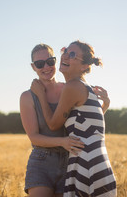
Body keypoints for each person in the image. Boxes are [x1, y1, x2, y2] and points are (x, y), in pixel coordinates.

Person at [31, 40, 117, 197]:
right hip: (96, 162)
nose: (65, 56)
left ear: (84, 66)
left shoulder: (72, 87)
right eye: (64, 51)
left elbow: (53, 124)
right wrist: (105, 106)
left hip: (86, 164)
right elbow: (86, 125)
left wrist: (41, 94)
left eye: (72, 54)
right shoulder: (84, 86)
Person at [20, 44, 85, 197]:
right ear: (33, 67)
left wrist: (104, 106)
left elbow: (84, 122)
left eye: (50, 61)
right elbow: (33, 137)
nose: (46, 67)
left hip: (71, 162)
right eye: (39, 64)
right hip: (42, 161)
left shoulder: (69, 89)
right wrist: (62, 141)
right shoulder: (27, 97)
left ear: (56, 61)